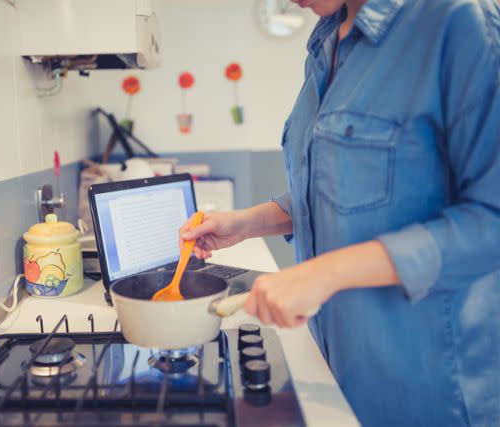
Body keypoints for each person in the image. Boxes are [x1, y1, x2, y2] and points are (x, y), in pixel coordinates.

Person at [179, 0, 500, 425]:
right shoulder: (325, 45)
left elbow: (490, 220)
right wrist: (245, 223)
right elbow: (343, 190)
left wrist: (326, 273)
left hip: (431, 393)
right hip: (338, 373)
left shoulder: (458, 21)